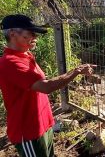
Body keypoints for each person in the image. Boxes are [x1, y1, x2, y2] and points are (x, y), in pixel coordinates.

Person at [0, 14, 96, 157]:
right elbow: (46, 87)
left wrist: (76, 71)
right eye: (30, 33)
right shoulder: (10, 62)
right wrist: (76, 71)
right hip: (28, 131)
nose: (35, 37)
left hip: (43, 124)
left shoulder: (26, 55)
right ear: (13, 34)